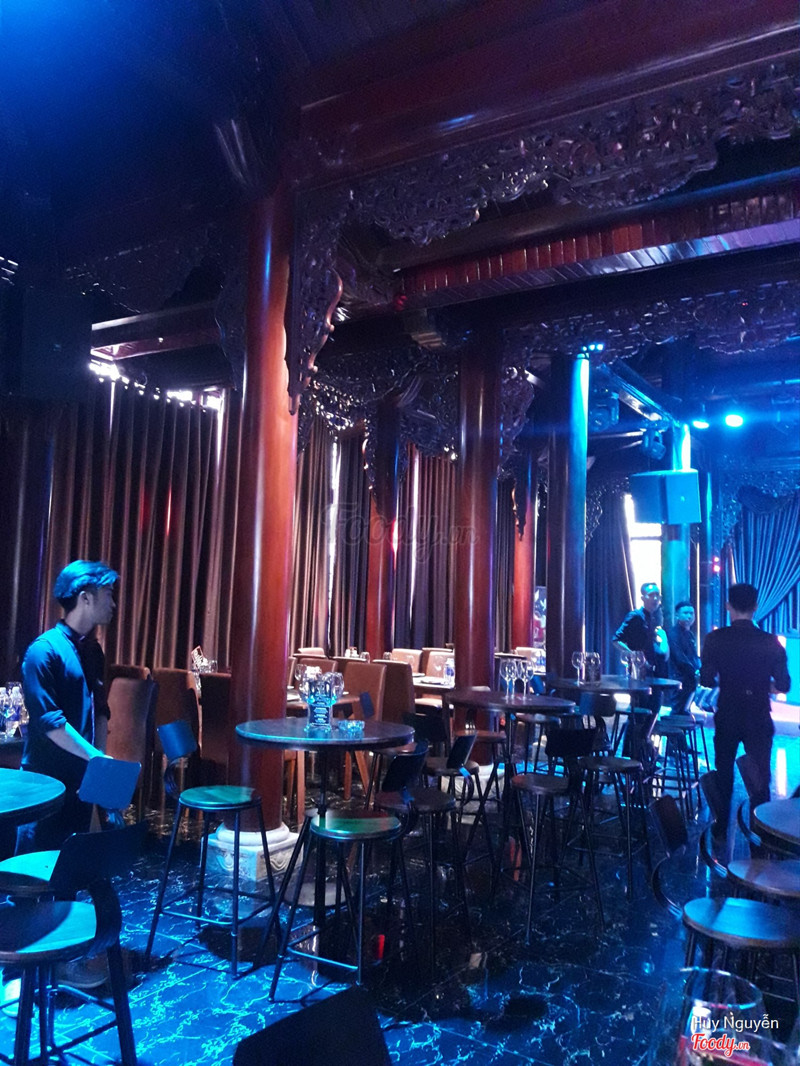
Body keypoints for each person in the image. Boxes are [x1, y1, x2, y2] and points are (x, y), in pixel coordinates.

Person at [16, 559, 118, 854]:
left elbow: (101, 710)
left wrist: (97, 765)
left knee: (73, 868)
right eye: (108, 594)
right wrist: (97, 758)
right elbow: (51, 723)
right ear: (85, 598)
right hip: (45, 784)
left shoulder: (92, 651)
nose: (113, 603)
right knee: (35, 869)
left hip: (80, 780)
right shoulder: (43, 651)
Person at [700, 583, 790, 839]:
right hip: (758, 715)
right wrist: (761, 685)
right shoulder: (771, 642)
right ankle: (760, 835)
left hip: (728, 713)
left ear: (728, 606)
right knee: (759, 780)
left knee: (724, 775)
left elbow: (706, 680)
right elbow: (784, 684)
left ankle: (720, 831)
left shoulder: (715, 639)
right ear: (756, 607)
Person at [667, 600, 701, 714]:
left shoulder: (690, 634)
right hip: (678, 679)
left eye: (691, 613)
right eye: (685, 613)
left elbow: (693, 656)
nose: (689, 616)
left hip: (689, 679)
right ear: (677, 615)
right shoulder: (673, 633)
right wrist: (695, 671)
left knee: (685, 710)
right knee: (678, 710)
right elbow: (679, 657)